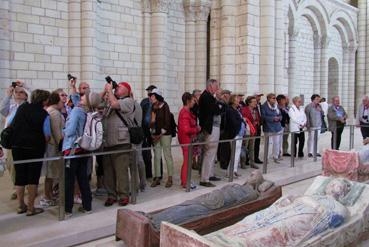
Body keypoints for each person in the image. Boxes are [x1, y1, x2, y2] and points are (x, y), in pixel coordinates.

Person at [11, 89, 51, 216]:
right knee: (33, 178)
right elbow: (47, 136)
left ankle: (20, 205)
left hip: (17, 146)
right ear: (44, 100)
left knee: (20, 176)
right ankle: (31, 208)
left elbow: (12, 124)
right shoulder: (44, 114)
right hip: (35, 148)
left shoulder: (22, 108)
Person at [63, 90, 101, 216]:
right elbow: (76, 102)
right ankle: (87, 206)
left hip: (72, 148)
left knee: (69, 180)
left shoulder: (76, 111)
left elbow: (70, 131)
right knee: (83, 178)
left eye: (83, 96)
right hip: (84, 149)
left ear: (87, 99)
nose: (81, 96)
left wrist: (64, 129)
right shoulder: (89, 112)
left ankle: (67, 209)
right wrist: (72, 87)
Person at [103, 82, 136, 207]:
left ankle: (123, 195)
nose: (116, 87)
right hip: (108, 142)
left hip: (121, 142)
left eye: (119, 87)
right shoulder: (110, 98)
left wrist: (110, 91)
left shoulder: (128, 101)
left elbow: (115, 105)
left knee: (121, 171)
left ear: (127, 90)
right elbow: (98, 104)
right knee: (108, 172)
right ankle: (111, 195)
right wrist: (105, 91)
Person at [0, 81, 29, 200]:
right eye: (16, 92)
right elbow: (2, 109)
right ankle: (17, 188)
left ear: (26, 95)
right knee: (12, 166)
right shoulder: (12, 108)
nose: (17, 93)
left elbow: (33, 95)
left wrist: (25, 86)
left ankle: (28, 186)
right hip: (11, 142)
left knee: (26, 166)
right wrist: (8, 94)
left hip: (25, 142)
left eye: (20, 92)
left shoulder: (28, 107)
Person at [40, 91, 65, 208]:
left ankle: (49, 195)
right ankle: (47, 197)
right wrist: (62, 146)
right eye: (61, 101)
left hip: (50, 146)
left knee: (51, 173)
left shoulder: (49, 110)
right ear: (57, 101)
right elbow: (57, 132)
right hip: (53, 147)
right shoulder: (54, 113)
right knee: (51, 174)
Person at [198, 79, 223, 187]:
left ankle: (210, 174)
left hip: (213, 127)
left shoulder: (209, 96)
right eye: (216, 86)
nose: (217, 88)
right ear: (210, 86)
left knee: (212, 152)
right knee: (209, 152)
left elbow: (220, 109)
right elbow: (216, 110)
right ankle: (205, 179)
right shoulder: (206, 96)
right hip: (210, 128)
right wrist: (218, 100)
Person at [149, 89, 175, 188]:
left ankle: (170, 177)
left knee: (167, 155)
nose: (151, 97)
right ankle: (157, 177)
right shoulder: (153, 107)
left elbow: (167, 122)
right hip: (156, 135)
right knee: (157, 156)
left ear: (157, 96)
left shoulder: (165, 106)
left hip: (165, 134)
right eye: (151, 96)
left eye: (152, 96)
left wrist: (159, 135)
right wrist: (152, 133)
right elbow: (152, 123)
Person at [178, 92, 201, 189]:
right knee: (187, 162)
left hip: (188, 140)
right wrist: (197, 129)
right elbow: (186, 129)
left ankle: (185, 180)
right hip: (186, 140)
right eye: (192, 100)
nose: (194, 102)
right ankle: (185, 182)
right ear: (188, 101)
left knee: (187, 161)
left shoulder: (187, 112)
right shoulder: (184, 112)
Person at [140, 85, 162, 179]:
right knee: (146, 153)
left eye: (151, 93)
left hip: (156, 131)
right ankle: (148, 174)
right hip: (145, 131)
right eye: (148, 92)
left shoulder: (160, 103)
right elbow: (140, 116)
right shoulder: (144, 102)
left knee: (157, 153)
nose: (149, 94)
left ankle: (159, 174)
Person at [225, 95, 246, 178]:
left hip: (239, 134)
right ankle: (229, 172)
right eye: (237, 100)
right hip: (234, 134)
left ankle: (234, 170)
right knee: (234, 153)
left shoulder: (237, 110)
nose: (238, 102)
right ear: (233, 101)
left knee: (237, 153)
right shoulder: (230, 110)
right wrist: (241, 121)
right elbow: (233, 122)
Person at [261, 93, 283, 164]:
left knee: (277, 143)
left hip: (277, 127)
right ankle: (266, 158)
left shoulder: (276, 106)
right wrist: (273, 118)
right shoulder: (264, 106)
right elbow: (263, 117)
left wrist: (279, 118)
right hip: (269, 127)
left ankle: (275, 157)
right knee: (269, 144)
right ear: (268, 99)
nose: (275, 99)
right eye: (273, 98)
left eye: (275, 98)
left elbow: (280, 114)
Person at [241, 96, 261, 169]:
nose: (256, 103)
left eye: (256, 101)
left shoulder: (255, 111)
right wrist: (252, 122)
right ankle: (243, 163)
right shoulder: (244, 109)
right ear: (249, 103)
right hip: (246, 132)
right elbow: (244, 119)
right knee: (244, 148)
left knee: (252, 148)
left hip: (253, 131)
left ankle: (252, 163)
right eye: (254, 102)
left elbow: (258, 119)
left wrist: (257, 122)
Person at [253, 92, 264, 164]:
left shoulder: (259, 104)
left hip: (259, 126)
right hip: (253, 126)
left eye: (260, 96)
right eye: (258, 96)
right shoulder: (252, 105)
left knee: (257, 142)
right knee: (251, 143)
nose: (259, 98)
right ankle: (249, 158)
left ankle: (256, 157)